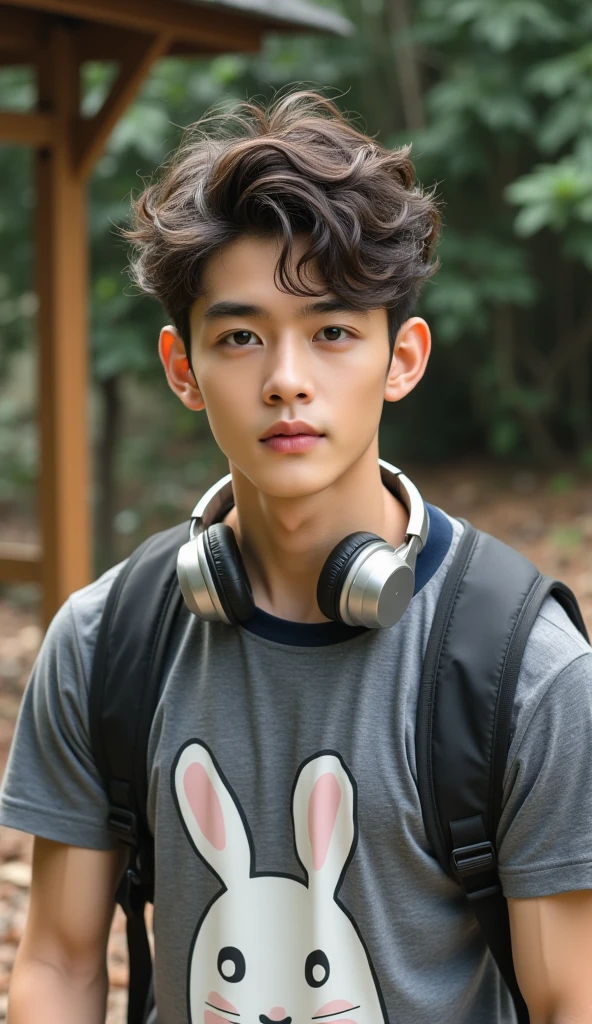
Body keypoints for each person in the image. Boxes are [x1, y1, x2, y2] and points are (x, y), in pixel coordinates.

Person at [2, 89, 592, 1024]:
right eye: (240, 336)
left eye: (333, 332)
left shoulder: (526, 674)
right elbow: (60, 967)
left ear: (402, 358)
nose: (285, 379)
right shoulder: (103, 644)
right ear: (182, 367)